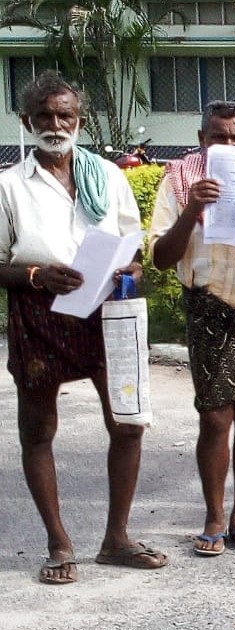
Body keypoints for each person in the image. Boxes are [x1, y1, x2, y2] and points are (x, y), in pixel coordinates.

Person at [0, 72, 161, 583]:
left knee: (128, 422)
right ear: (27, 121)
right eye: (44, 115)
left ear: (80, 121)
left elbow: (133, 245)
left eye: (64, 115)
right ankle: (59, 544)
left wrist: (131, 268)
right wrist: (35, 275)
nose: (55, 124)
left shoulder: (107, 175)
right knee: (38, 430)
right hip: (39, 313)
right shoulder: (8, 185)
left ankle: (117, 539)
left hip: (107, 309)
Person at [149, 100, 235, 556]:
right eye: (218, 137)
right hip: (211, 307)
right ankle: (213, 514)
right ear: (201, 140)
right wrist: (193, 208)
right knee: (214, 417)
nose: (228, 144)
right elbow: (161, 257)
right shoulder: (181, 178)